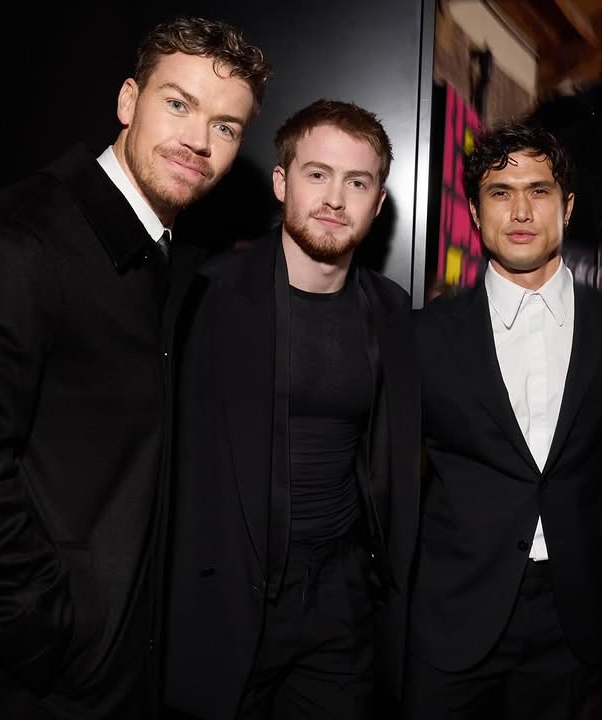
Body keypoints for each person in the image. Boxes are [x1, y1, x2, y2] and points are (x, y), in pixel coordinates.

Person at [0, 17, 268, 719]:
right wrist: (58, 638)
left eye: (226, 126)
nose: (197, 140)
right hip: (17, 684)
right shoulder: (12, 244)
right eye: (178, 104)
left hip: (111, 674)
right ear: (128, 101)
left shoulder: (164, 258)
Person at [163, 99, 420, 720]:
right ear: (282, 183)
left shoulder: (391, 311)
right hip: (226, 598)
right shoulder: (206, 295)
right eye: (317, 174)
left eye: (356, 182)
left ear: (377, 203)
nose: (335, 197)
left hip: (341, 603)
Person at [404, 122, 602, 720]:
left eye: (538, 191)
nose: (519, 210)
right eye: (499, 191)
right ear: (474, 210)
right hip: (454, 615)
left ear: (566, 206)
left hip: (573, 622)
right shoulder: (424, 335)